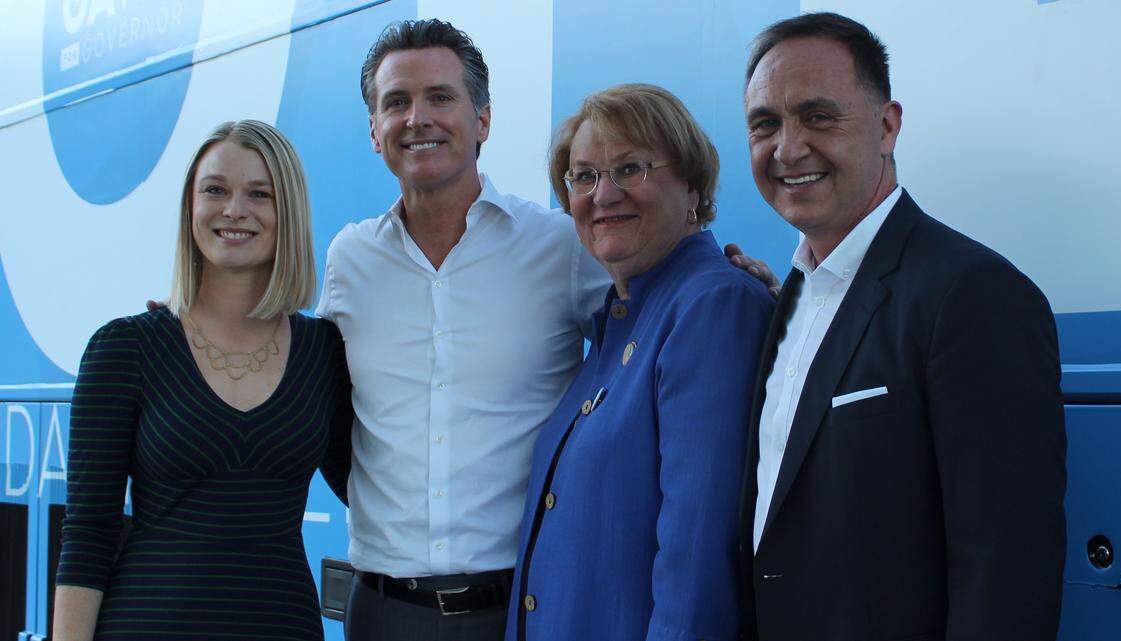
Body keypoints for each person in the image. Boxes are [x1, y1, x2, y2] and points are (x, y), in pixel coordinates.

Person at [322, 19, 776, 641]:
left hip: (513, 606)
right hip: (382, 611)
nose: (417, 117)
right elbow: (306, 381)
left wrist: (736, 280)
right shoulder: (350, 260)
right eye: (396, 102)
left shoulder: (560, 246)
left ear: (481, 121)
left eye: (441, 97)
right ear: (374, 129)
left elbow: (656, 294)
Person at [737, 12, 1066, 641]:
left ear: (887, 126)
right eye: (765, 124)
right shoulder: (790, 299)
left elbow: (1006, 566)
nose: (788, 148)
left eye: (818, 116)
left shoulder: (973, 295)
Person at [52, 120, 353, 641]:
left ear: (289, 211)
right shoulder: (125, 349)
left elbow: (371, 487)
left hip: (281, 627)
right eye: (215, 190)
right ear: (190, 207)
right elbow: (88, 535)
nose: (234, 209)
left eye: (259, 193)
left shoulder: (323, 352)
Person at [504, 83, 774, 641]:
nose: (603, 195)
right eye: (583, 176)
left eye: (630, 169)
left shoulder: (711, 306)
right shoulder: (623, 314)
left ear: (693, 184)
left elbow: (697, 556)